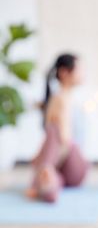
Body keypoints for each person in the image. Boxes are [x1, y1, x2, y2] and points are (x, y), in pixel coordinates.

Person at [26, 53, 88, 202]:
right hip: (67, 169)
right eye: (80, 69)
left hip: (75, 167)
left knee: (54, 131)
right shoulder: (60, 99)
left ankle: (44, 176)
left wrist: (42, 164)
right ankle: (49, 179)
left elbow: (64, 143)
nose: (84, 74)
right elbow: (61, 142)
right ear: (64, 72)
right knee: (54, 132)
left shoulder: (63, 98)